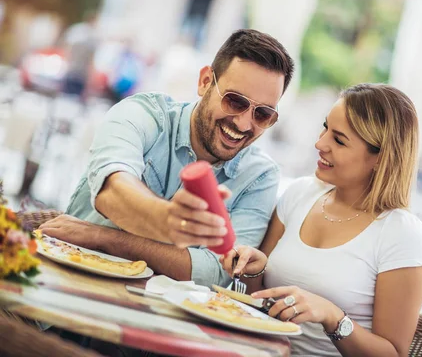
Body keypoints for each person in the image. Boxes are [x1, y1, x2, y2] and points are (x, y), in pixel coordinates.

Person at [39, 29, 294, 287]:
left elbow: (215, 272)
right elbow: (111, 191)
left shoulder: (260, 175)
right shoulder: (143, 113)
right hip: (66, 288)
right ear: (205, 82)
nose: (243, 123)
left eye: (262, 114)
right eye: (235, 101)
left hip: (158, 320)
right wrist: (166, 220)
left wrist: (102, 237)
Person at [221, 84, 422, 357]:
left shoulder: (402, 234)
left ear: (380, 157)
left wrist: (334, 317)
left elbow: (393, 353)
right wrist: (253, 271)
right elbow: (255, 301)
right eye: (325, 128)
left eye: (340, 140)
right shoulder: (300, 194)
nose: (320, 144)